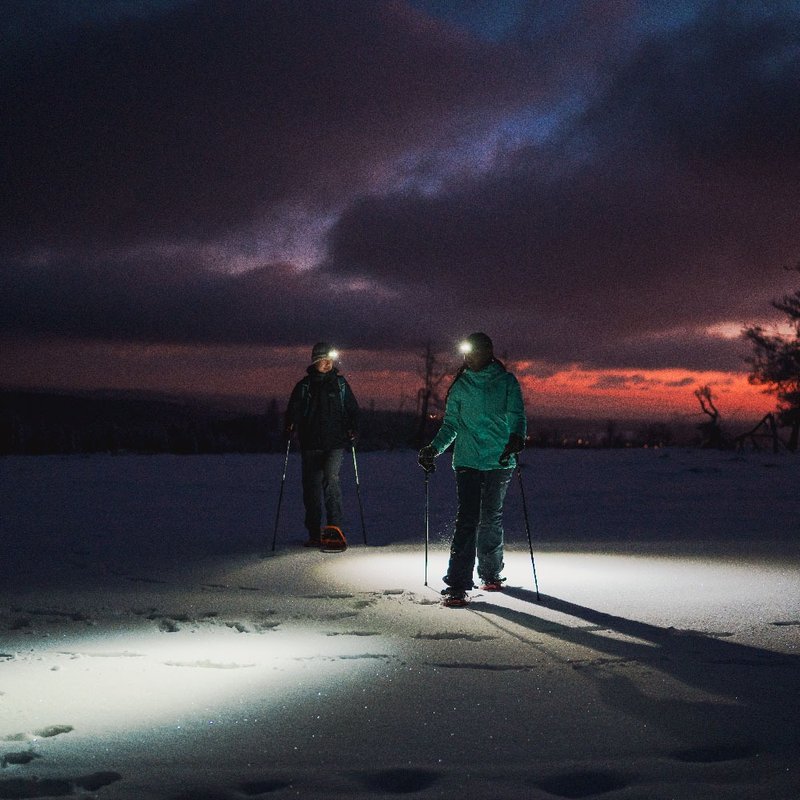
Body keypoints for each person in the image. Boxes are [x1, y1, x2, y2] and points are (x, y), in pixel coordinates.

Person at [418, 332, 526, 606]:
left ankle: (490, 573)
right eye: (466, 352)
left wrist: (516, 437)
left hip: (499, 460)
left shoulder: (506, 382)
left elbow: (516, 415)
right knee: (468, 519)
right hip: (467, 461)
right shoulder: (461, 385)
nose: (468, 357)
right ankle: (457, 583)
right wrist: (434, 449)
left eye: (474, 351)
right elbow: (451, 425)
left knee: (490, 517)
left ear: (488, 352)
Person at [285, 343, 359, 547]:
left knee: (331, 479)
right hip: (310, 444)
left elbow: (353, 410)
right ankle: (314, 532)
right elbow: (294, 410)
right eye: (323, 360)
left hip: (335, 443)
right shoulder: (304, 386)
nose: (327, 363)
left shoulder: (341, 384)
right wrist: (290, 425)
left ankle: (334, 528)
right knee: (311, 488)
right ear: (315, 361)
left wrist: (354, 428)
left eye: (329, 360)